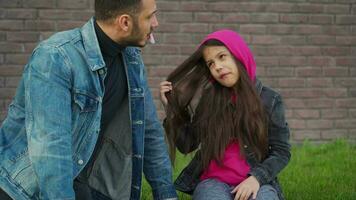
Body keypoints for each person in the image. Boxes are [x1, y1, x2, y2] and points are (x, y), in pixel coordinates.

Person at [0, 0, 177, 199]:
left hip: (82, 179)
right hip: (23, 188)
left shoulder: (131, 57)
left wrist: (167, 195)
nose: (156, 23)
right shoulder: (55, 57)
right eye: (150, 16)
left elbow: (148, 130)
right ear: (125, 22)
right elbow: (51, 150)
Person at [160, 30, 291, 200]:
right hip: (213, 183)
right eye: (211, 64)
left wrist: (257, 178)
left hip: (256, 183)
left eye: (222, 57)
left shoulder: (270, 100)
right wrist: (170, 110)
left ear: (239, 55)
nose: (217, 66)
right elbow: (187, 145)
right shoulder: (210, 100)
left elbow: (281, 151)